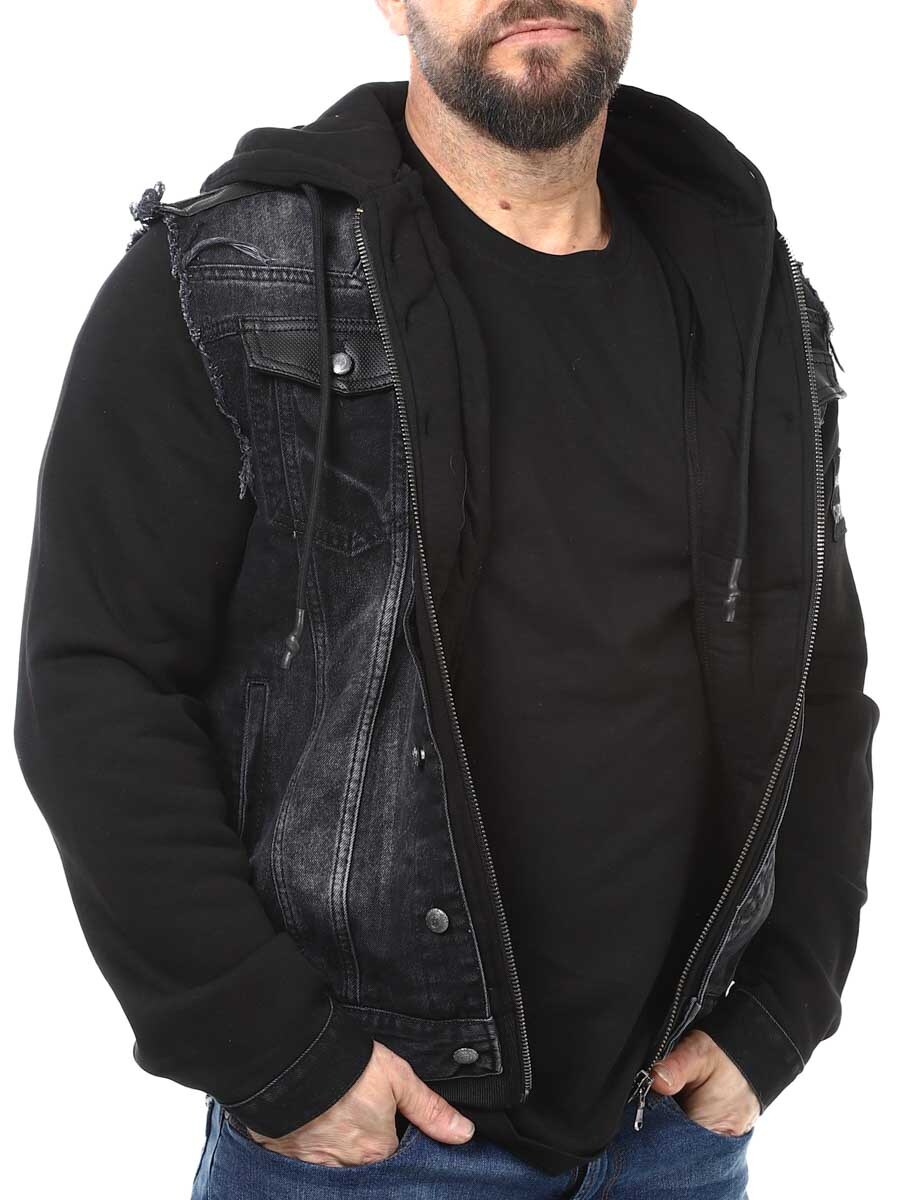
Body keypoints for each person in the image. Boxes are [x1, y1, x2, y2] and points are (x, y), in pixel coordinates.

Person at [14, 2, 879, 1197]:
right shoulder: (227, 279)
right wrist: (274, 1053)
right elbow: (97, 682)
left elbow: (818, 683)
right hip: (373, 1145)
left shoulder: (755, 300)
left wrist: (785, 1006)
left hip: (674, 1133)